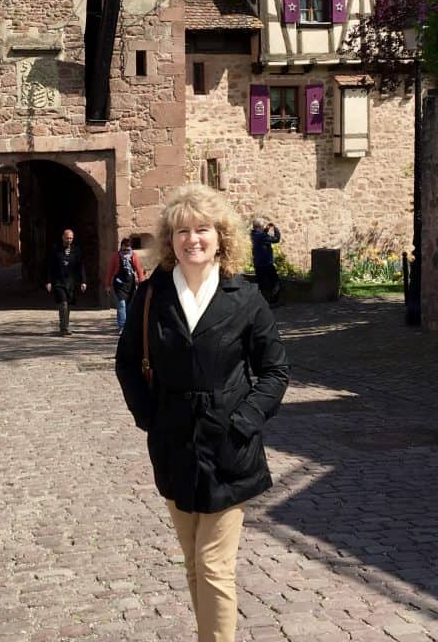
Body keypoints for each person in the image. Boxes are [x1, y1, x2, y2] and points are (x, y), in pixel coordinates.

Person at [116, 184, 288, 642]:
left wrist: (245, 421)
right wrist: (149, 417)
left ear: (221, 236)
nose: (192, 239)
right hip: (173, 443)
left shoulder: (245, 297)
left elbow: (274, 371)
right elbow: (127, 361)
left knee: (213, 565)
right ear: (170, 240)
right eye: (182, 231)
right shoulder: (152, 295)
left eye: (203, 229)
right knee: (193, 561)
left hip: (228, 446)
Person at [46, 228, 87, 336]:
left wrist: (83, 281)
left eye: (71, 238)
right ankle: (63, 328)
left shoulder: (76, 251)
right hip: (58, 281)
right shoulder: (56, 250)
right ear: (63, 237)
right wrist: (49, 281)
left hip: (71, 282)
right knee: (63, 303)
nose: (69, 240)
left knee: (68, 304)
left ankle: (65, 325)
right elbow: (51, 266)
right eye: (67, 238)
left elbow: (80, 266)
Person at [104, 237, 145, 334]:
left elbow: (139, 270)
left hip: (130, 284)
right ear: (121, 247)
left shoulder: (134, 256)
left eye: (128, 249)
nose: (126, 251)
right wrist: (108, 285)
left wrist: (142, 284)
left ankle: (129, 325)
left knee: (129, 306)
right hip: (119, 284)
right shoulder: (116, 256)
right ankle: (122, 327)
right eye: (124, 249)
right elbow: (109, 271)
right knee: (121, 305)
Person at [251, 217, 281, 307]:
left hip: (258, 263)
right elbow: (276, 239)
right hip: (266, 263)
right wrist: (275, 228)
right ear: (260, 226)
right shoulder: (262, 236)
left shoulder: (253, 234)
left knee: (261, 284)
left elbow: (262, 235)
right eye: (263, 226)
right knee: (275, 282)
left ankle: (260, 303)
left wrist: (267, 229)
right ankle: (274, 302)